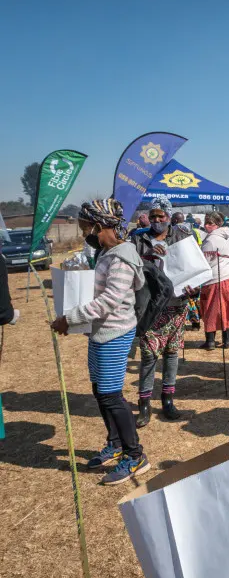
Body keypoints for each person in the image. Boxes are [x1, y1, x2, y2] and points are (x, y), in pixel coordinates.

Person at [50, 198, 150, 485]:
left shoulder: (121, 257)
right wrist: (77, 321)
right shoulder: (107, 252)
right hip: (100, 332)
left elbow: (108, 301)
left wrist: (69, 318)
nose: (84, 233)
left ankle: (135, 455)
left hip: (115, 333)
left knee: (111, 395)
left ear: (99, 224)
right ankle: (115, 445)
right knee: (99, 390)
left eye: (85, 227)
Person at [132, 197, 196, 423]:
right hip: (150, 307)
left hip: (176, 306)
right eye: (153, 216)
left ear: (169, 216)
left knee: (171, 354)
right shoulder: (138, 239)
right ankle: (144, 404)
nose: (157, 220)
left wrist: (193, 289)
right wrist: (148, 257)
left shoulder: (181, 237)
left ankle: (168, 399)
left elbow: (193, 268)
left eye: (161, 216)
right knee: (149, 356)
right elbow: (130, 268)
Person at [198, 212, 229, 350]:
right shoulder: (226, 236)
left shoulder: (211, 239)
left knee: (210, 308)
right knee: (226, 309)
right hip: (228, 276)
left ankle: (210, 341)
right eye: (206, 222)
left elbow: (205, 262)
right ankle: (228, 340)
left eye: (210, 223)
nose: (206, 225)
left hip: (214, 278)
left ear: (217, 224)